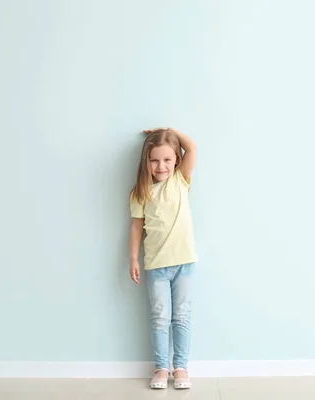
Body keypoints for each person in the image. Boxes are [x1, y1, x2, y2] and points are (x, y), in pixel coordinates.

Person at [129, 127, 197, 390]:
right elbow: (136, 227)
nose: (161, 166)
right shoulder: (140, 192)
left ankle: (180, 367)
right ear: (146, 161)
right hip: (156, 265)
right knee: (159, 318)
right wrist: (133, 258)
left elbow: (191, 148)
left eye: (167, 159)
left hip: (184, 263)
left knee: (181, 316)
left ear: (176, 161)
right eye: (154, 160)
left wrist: (169, 131)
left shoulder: (180, 180)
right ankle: (161, 368)